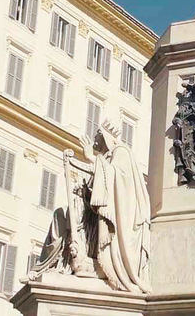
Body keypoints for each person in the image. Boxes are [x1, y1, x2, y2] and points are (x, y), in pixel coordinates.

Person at [29, 120, 151, 294]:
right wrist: (85, 192)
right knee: (60, 214)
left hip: (117, 223)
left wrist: (91, 158)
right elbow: (101, 193)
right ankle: (47, 265)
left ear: (105, 137)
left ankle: (69, 262)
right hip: (96, 217)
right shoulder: (106, 158)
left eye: (97, 135)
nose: (94, 139)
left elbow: (119, 182)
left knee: (68, 215)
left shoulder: (121, 152)